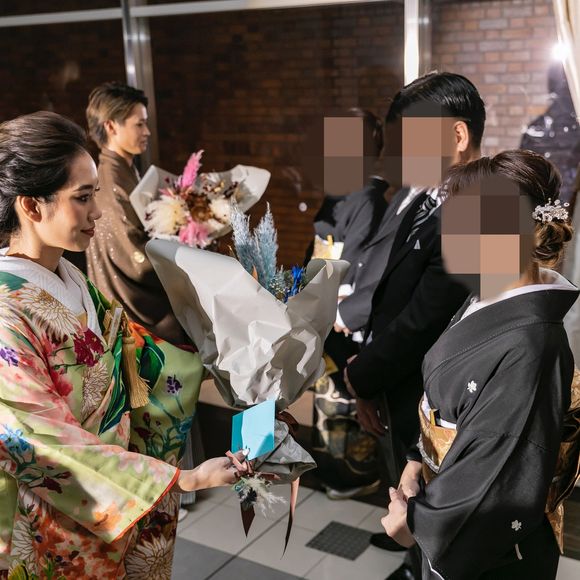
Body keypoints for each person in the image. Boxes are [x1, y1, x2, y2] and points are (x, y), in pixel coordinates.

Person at [0, 112, 245, 579]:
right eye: (83, 197)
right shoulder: (5, 309)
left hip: (112, 484)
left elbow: (134, 352)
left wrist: (228, 360)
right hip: (56, 509)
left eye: (95, 194)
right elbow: (36, 439)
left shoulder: (69, 277)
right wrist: (182, 479)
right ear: (31, 206)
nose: (97, 212)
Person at [382, 149, 579, 579]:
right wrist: (416, 460)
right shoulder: (485, 299)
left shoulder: (531, 346)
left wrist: (416, 525)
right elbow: (444, 408)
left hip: (493, 555)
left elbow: (498, 477)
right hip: (438, 488)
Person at [343, 72, 485, 580]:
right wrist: (372, 379)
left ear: (457, 136)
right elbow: (393, 293)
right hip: (402, 383)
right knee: (409, 494)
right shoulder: (430, 198)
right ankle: (412, 563)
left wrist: (361, 375)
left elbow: (425, 318)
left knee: (435, 503)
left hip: (437, 393)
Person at [312, 108, 389, 499]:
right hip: (324, 303)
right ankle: (333, 472)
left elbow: (361, 264)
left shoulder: (370, 199)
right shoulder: (340, 193)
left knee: (346, 396)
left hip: (346, 311)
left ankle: (354, 476)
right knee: (329, 396)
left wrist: (334, 301)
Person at [85, 81, 188, 345]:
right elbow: (135, 256)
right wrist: (185, 253)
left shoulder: (123, 170)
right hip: (135, 308)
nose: (147, 131)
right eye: (139, 124)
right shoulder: (111, 181)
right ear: (111, 126)